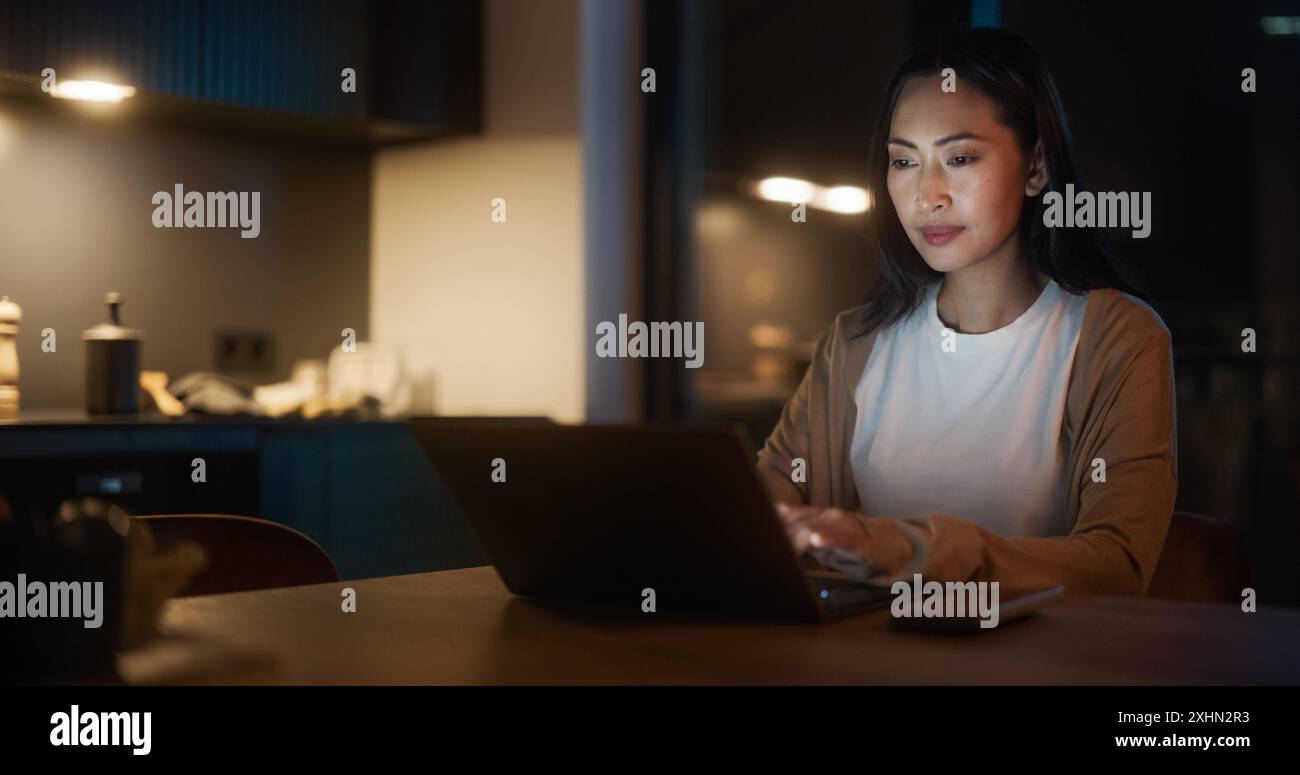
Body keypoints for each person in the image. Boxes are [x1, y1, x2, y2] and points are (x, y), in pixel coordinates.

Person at [757, 27, 1177, 598]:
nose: (927, 195)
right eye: (904, 162)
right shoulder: (856, 342)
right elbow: (765, 508)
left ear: (1035, 168)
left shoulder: (1118, 338)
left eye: (958, 157)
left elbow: (1116, 566)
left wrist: (913, 549)